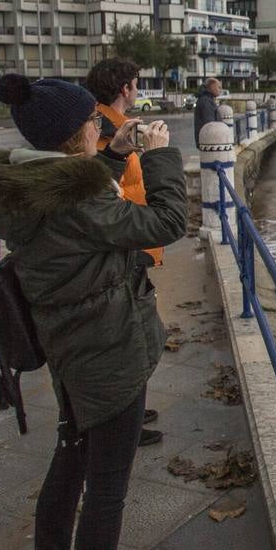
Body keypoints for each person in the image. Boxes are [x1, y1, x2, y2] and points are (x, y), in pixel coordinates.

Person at [0, 73, 185, 550]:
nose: (100, 125)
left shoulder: (27, 188)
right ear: (69, 137)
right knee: (106, 487)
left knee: (70, 462)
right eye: (94, 122)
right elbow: (164, 223)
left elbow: (75, 206)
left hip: (69, 345)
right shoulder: (79, 201)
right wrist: (160, 158)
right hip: (107, 350)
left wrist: (112, 154)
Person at [85, 58, 164, 448]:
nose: (137, 89)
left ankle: (132, 407)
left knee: (138, 331)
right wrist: (157, 157)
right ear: (125, 88)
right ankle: (125, 420)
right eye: (136, 83)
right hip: (126, 239)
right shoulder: (101, 131)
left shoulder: (115, 128)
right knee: (132, 336)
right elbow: (104, 187)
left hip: (131, 237)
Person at [193, 77, 222, 146]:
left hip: (206, 141)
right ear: (212, 87)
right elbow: (209, 124)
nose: (220, 90)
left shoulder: (206, 99)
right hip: (209, 142)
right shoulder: (206, 101)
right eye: (219, 87)